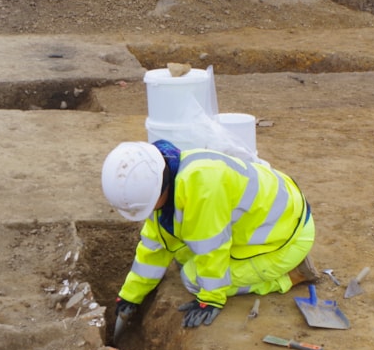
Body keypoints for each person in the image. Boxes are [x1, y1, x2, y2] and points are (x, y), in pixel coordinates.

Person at [102, 140, 317, 329]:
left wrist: (211, 298)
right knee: (183, 254)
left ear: (158, 189)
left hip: (285, 238)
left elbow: (212, 250)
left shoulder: (202, 193)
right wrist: (130, 296)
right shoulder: (169, 173)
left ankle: (290, 275)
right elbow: (155, 246)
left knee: (193, 279)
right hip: (267, 218)